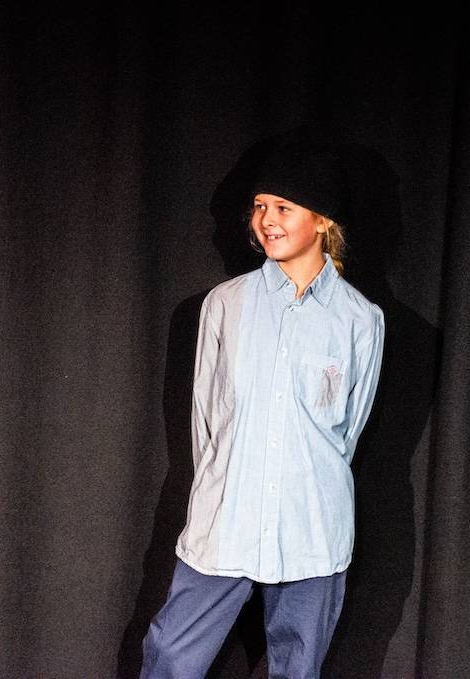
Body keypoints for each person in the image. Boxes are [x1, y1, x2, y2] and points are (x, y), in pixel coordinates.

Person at [141, 138, 385, 679]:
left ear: (321, 220)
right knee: (172, 657)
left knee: (298, 667)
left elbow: (346, 433)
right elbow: (208, 421)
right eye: (259, 206)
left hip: (312, 529)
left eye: (283, 207)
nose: (265, 220)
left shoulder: (360, 319)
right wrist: (223, 491)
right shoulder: (226, 304)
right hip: (227, 522)